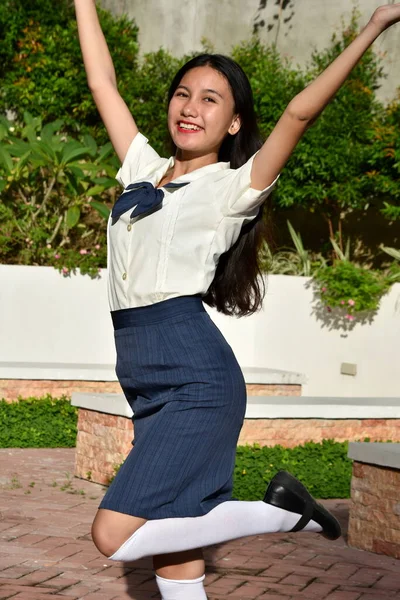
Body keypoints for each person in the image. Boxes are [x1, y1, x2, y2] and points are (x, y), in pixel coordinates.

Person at [74, 2, 400, 598]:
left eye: (209, 99)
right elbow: (102, 81)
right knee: (176, 560)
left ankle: (286, 512)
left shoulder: (233, 186)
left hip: (194, 373)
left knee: (113, 536)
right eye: (182, 93)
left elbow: (300, 112)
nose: (189, 107)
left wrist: (375, 25)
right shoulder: (142, 168)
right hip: (141, 374)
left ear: (232, 123)